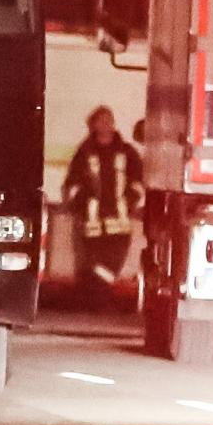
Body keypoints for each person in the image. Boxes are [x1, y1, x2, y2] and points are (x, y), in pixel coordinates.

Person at [62, 105, 144, 299]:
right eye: (101, 121)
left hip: (120, 221)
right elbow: (72, 184)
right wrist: (79, 204)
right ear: (93, 125)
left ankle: (92, 290)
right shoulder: (84, 152)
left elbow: (139, 181)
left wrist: (130, 200)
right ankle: (94, 295)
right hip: (93, 223)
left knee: (113, 262)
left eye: (109, 120)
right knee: (94, 262)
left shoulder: (127, 152)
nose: (106, 124)